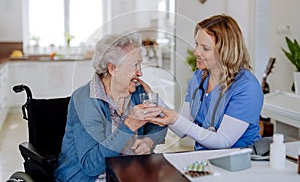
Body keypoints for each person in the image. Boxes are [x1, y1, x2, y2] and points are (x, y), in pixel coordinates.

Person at [54, 34, 167, 181]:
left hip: (128, 173)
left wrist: (149, 141)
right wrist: (128, 125)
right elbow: (91, 166)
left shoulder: (138, 90)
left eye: (140, 65)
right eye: (135, 65)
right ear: (113, 68)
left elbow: (160, 123)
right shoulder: (86, 99)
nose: (140, 72)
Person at [147, 14, 263, 150]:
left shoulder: (247, 87)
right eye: (196, 44)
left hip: (240, 161)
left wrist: (176, 119)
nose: (196, 52)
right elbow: (182, 129)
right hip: (204, 159)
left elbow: (223, 141)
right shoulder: (198, 77)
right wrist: (153, 98)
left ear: (225, 51)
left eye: (205, 48)